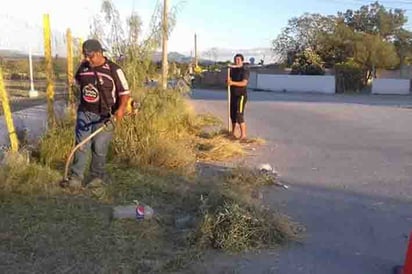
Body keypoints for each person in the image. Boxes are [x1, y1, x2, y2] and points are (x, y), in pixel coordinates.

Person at [66, 39, 131, 189]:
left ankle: (97, 177)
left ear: (100, 53)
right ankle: (76, 177)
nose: (88, 59)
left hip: (106, 117)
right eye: (85, 56)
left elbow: (125, 93)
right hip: (85, 113)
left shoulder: (114, 69)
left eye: (91, 56)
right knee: (81, 145)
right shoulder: (83, 68)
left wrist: (120, 110)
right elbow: (77, 85)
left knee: (99, 147)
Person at [227, 53, 249, 140]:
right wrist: (228, 81)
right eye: (235, 60)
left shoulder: (245, 70)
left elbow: (244, 83)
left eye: (239, 60)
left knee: (239, 114)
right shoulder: (232, 70)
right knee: (232, 115)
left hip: (241, 95)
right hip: (233, 94)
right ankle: (232, 133)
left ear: (242, 61)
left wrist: (232, 83)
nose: (237, 61)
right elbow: (229, 80)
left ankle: (243, 135)